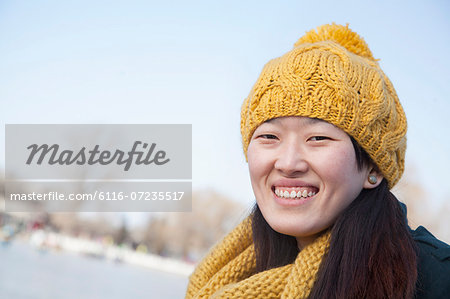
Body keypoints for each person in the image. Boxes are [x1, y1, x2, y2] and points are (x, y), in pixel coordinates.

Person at [185, 24, 450, 298]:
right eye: (269, 136)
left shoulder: (437, 280)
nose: (288, 163)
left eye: (317, 138)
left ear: (373, 168)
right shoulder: (223, 277)